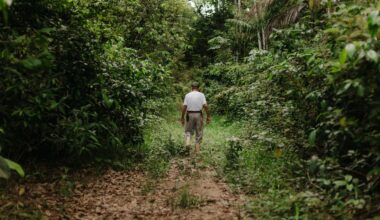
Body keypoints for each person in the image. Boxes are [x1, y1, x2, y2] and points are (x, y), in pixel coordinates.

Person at [181, 82, 211, 154]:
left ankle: (188, 143)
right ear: (198, 88)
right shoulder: (201, 95)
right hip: (198, 115)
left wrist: (182, 117)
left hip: (189, 114)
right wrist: (208, 116)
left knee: (188, 131)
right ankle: (197, 152)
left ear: (191, 87)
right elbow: (205, 106)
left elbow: (184, 107)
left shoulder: (187, 95)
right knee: (199, 132)